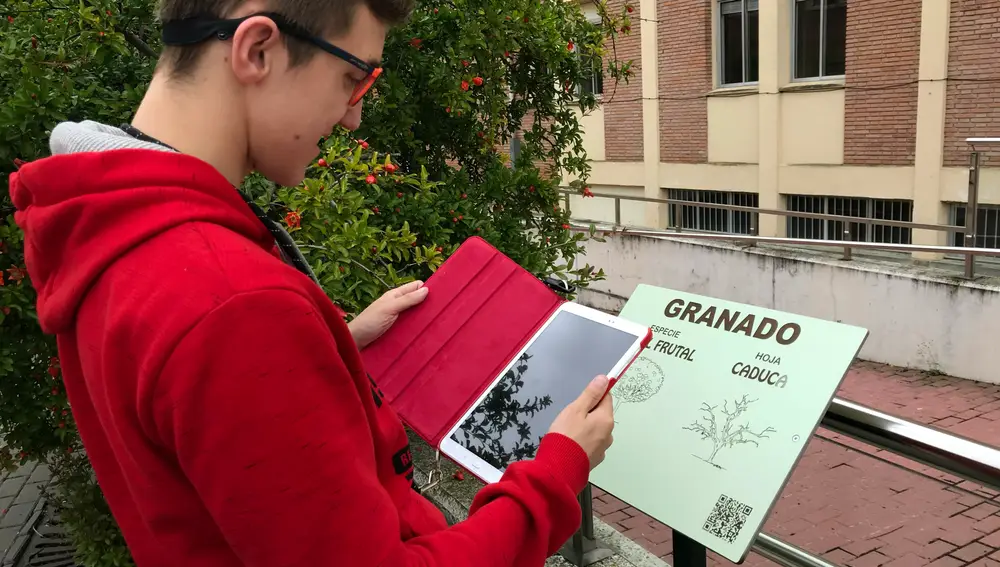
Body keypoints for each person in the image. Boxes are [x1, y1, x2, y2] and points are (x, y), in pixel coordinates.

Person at [8, 0, 618, 566]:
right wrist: (555, 472)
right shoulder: (234, 306)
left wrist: (333, 348)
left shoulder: (115, 232)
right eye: (355, 77)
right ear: (258, 51)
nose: (354, 114)